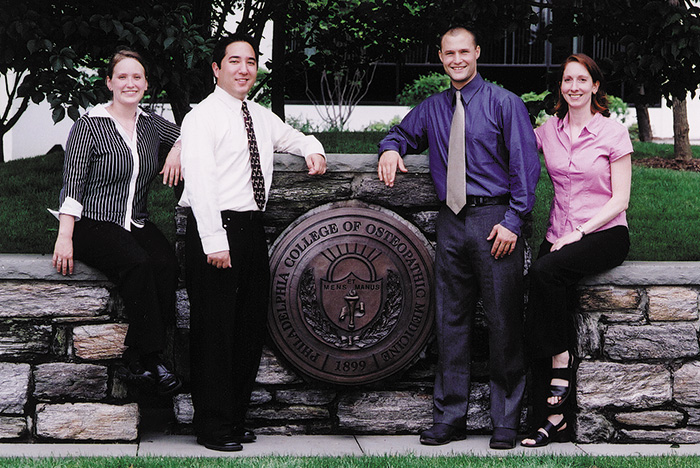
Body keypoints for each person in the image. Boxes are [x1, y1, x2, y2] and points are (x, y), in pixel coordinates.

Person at [378, 26, 540, 449]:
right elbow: (400, 133)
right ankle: (450, 417)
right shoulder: (432, 108)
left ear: (477, 53)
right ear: (440, 57)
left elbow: (525, 169)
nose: (456, 60)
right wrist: (391, 149)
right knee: (449, 321)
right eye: (449, 53)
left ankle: (506, 421)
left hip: (495, 223)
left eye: (463, 52)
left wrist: (514, 220)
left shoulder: (506, 104)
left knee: (504, 321)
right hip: (450, 223)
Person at [179, 33, 327, 453]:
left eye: (250, 61)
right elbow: (202, 184)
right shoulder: (202, 118)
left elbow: (292, 138)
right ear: (216, 68)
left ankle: (235, 418)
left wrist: (312, 149)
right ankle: (212, 426)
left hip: (251, 230)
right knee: (214, 332)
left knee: (246, 329)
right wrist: (214, 241)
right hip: (216, 232)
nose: (244, 69)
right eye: (234, 61)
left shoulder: (259, 115)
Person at [51, 48, 183, 395]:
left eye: (136, 77)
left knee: (166, 263)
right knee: (137, 263)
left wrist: (179, 149)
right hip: (92, 222)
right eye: (122, 76)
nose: (130, 83)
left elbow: (192, 135)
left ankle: (149, 355)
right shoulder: (89, 126)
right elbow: (73, 183)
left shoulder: (152, 124)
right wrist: (65, 236)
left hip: (134, 222)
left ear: (146, 83)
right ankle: (142, 359)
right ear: (109, 82)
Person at [521, 54, 632, 447]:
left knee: (545, 271)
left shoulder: (613, 134)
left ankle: (562, 361)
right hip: (559, 232)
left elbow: (620, 200)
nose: (573, 87)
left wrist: (580, 232)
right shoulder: (547, 130)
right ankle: (552, 421)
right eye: (567, 80)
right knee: (538, 308)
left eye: (582, 80)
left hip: (604, 232)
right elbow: (509, 146)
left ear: (595, 86)